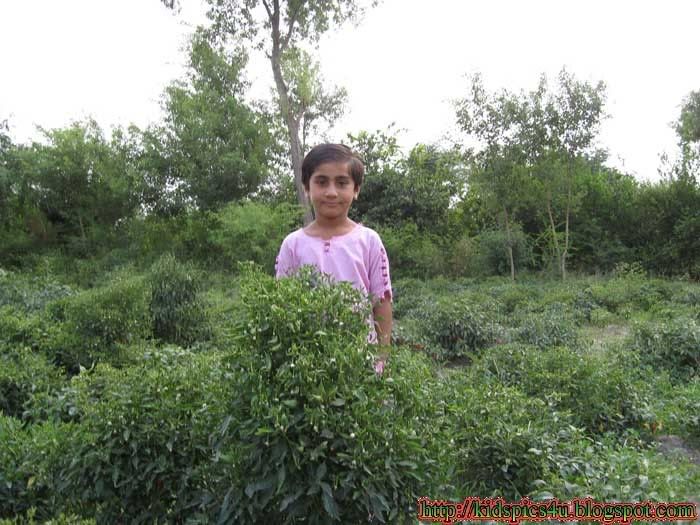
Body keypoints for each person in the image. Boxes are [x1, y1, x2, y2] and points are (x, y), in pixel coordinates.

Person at [274, 143, 393, 373]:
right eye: (321, 182)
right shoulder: (293, 244)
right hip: (306, 366)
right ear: (307, 188)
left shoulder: (369, 241)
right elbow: (282, 305)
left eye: (342, 183)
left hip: (361, 363)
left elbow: (382, 301)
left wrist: (383, 357)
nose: (331, 192)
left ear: (356, 189)